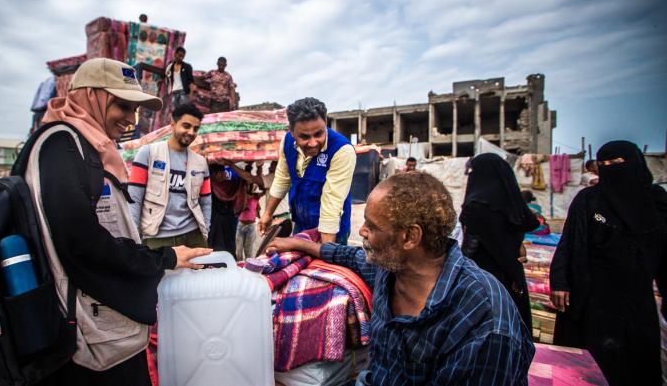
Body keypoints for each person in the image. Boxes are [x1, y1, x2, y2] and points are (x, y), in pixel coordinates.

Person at [18, 58, 210, 385]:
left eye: (135, 110)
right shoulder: (60, 146)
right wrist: (162, 257)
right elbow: (81, 242)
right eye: (123, 105)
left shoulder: (87, 146)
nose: (131, 119)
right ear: (92, 95)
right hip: (80, 335)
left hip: (98, 323)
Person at [265, 172, 534, 385]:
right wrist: (302, 245)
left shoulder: (485, 323)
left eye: (372, 226)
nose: (362, 230)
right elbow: (349, 256)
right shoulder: (391, 270)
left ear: (409, 237)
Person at [550, 141, 667, 386]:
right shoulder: (589, 200)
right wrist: (560, 281)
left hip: (637, 298)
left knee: (634, 361)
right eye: (603, 165)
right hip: (593, 293)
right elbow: (569, 243)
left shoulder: (656, 203)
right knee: (591, 365)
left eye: (616, 164)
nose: (609, 169)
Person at [259, 97, 356, 244]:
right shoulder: (287, 142)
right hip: (302, 224)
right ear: (292, 132)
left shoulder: (342, 150)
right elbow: (282, 179)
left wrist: (326, 251)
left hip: (333, 229)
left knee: (325, 266)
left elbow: (332, 204)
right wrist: (267, 214)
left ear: (326, 125)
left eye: (318, 134)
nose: (312, 143)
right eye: (304, 137)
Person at [460, 153, 539, 332]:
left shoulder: (477, 206)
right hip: (512, 276)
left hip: (483, 280)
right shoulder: (509, 205)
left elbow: (470, 249)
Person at [129, 103, 211, 249]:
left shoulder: (200, 162)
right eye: (186, 126)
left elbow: (206, 201)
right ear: (172, 125)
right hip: (158, 238)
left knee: (202, 272)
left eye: (196, 129)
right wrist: (133, 240)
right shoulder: (148, 153)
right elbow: (134, 199)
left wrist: (205, 232)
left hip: (194, 236)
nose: (191, 132)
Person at [207, 164, 245, 254]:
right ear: (213, 175)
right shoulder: (208, 187)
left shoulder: (231, 186)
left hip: (227, 226)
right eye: (220, 173)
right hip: (215, 226)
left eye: (223, 172)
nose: (223, 174)